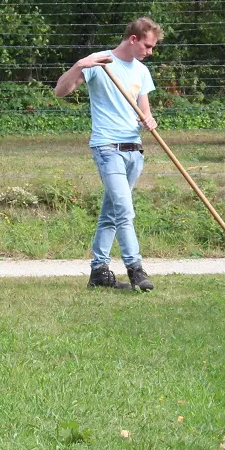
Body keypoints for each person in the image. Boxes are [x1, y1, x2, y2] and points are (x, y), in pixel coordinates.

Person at [53, 17, 163, 291]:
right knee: (124, 210)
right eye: (148, 46)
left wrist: (149, 120)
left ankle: (99, 272)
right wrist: (79, 65)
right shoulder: (99, 62)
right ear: (134, 39)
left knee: (112, 213)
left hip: (134, 151)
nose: (150, 52)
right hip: (107, 148)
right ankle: (135, 268)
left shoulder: (141, 71)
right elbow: (60, 91)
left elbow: (144, 111)